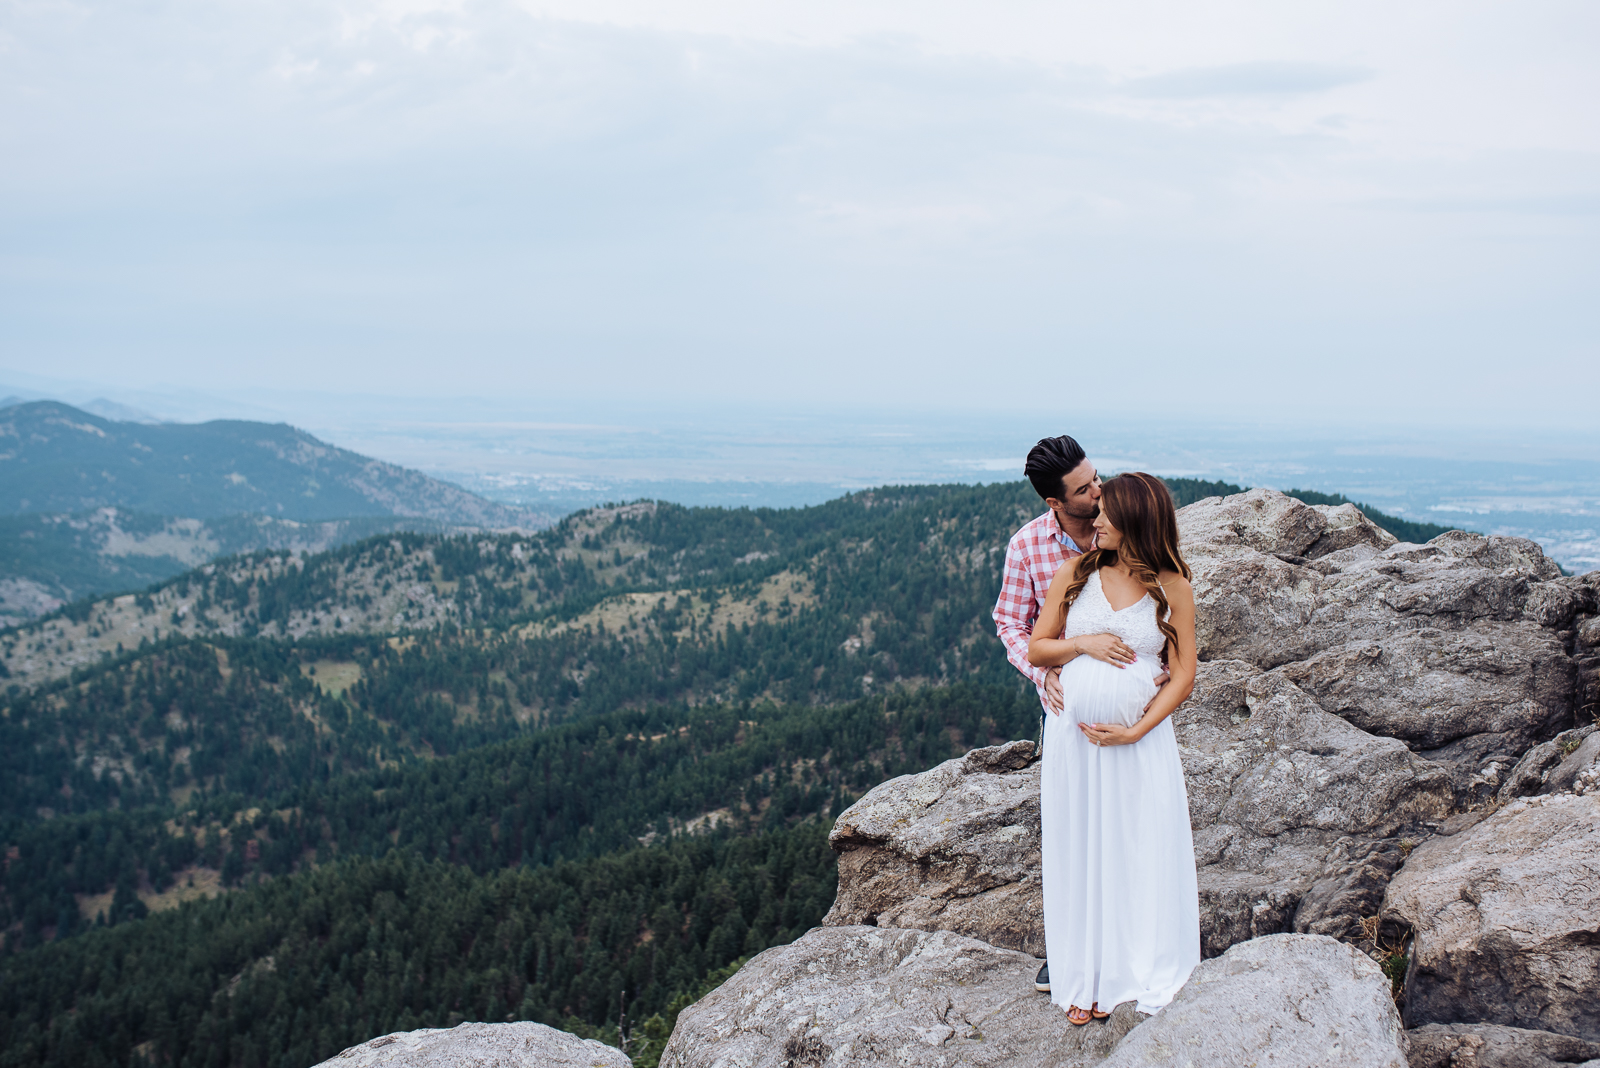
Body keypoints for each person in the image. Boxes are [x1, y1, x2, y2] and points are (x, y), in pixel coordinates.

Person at [1026, 472, 1200, 1024]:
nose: (1093, 521)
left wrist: (1136, 729)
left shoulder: (1171, 584)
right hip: (1074, 748)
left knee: (1135, 848)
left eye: (1104, 514)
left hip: (1138, 746)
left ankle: (1130, 971)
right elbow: (1037, 648)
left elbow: (1184, 674)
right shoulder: (1076, 571)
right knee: (1080, 848)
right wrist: (1083, 645)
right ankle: (1086, 975)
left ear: (1134, 522)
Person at [993, 437, 1165, 996]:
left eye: (1097, 479)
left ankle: (1133, 946)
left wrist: (1157, 665)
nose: (1098, 491)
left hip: (1135, 716)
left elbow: (1159, 606)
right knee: (1073, 828)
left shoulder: (1126, 526)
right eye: (1085, 489)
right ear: (1053, 501)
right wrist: (1046, 673)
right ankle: (1071, 951)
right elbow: (1011, 626)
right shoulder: (1028, 549)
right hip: (1065, 712)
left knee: (1129, 826)